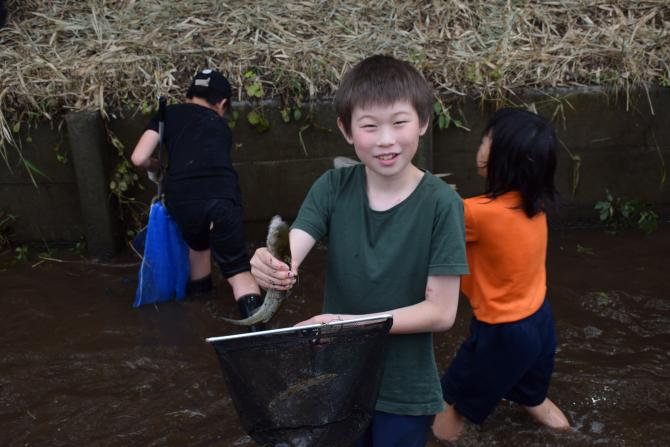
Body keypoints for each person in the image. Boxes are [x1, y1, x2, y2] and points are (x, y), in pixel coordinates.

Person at [249, 55, 469, 447]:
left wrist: (345, 323)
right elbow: (293, 247)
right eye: (370, 126)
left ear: (422, 121)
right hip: (339, 381)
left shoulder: (441, 204)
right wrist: (273, 267)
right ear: (346, 130)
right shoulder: (333, 187)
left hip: (404, 389)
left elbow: (441, 312)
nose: (386, 140)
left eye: (400, 123)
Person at [432, 107, 571, 442]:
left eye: (487, 140)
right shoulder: (535, 205)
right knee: (533, 399)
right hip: (539, 323)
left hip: (502, 333)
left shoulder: (476, 214)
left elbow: (428, 227)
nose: (480, 145)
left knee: (446, 401)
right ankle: (571, 435)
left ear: (500, 158)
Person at [130, 69, 263, 330]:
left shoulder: (167, 114)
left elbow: (138, 158)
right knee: (237, 271)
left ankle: (201, 322)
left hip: (183, 198)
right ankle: (259, 335)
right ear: (223, 104)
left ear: (188, 95)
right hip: (222, 194)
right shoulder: (221, 126)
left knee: (198, 249)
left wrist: (155, 166)